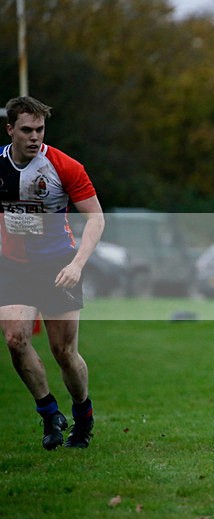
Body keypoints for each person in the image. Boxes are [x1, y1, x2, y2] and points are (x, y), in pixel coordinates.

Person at [0, 96, 104, 450]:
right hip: (14, 267)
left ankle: (83, 413)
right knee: (15, 339)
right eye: (26, 130)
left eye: (40, 130)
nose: (34, 137)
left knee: (64, 352)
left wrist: (77, 265)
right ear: (10, 129)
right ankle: (48, 412)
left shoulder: (63, 166)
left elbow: (96, 218)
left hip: (59, 265)